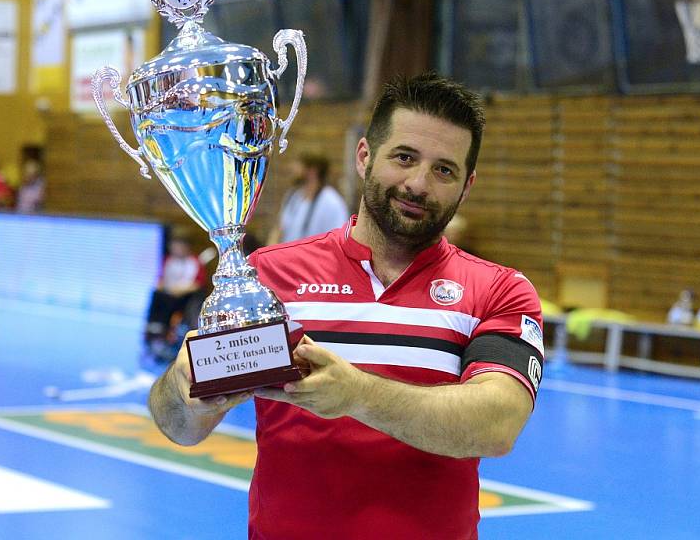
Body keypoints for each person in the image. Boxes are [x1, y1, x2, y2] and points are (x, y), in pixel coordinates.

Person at [148, 72, 544, 540]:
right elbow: (182, 428)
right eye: (404, 157)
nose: (418, 183)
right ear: (364, 157)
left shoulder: (499, 291)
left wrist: (356, 395)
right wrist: (183, 386)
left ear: (466, 185)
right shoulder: (269, 275)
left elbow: (496, 423)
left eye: (444, 170)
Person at [144, 235, 207, 359]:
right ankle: (155, 328)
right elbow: (161, 279)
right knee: (156, 294)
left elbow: (198, 284)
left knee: (167, 300)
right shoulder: (168, 260)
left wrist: (178, 290)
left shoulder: (194, 262)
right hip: (169, 293)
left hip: (186, 296)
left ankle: (164, 331)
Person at [268, 152, 349, 245]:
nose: (292, 168)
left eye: (299, 164)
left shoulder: (332, 202)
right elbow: (279, 230)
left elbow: (338, 241)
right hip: (286, 257)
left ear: (312, 170)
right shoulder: (293, 196)